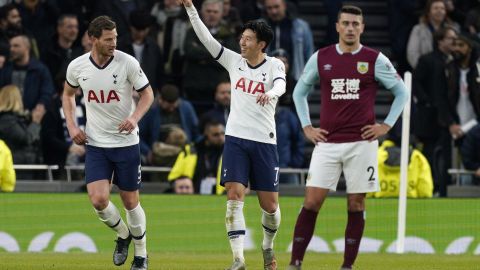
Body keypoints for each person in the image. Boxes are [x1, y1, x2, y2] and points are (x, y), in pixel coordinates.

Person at [287, 5, 409, 270]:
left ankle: (347, 266)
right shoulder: (322, 57)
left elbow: (402, 92)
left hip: (362, 144)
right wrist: (307, 127)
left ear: (363, 27)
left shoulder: (375, 59)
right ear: (337, 27)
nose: (351, 28)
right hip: (327, 143)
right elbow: (298, 92)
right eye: (346, 23)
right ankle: (295, 262)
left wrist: (386, 125)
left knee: (356, 202)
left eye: (356, 24)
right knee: (312, 201)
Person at [179, 0, 286, 269]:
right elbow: (206, 38)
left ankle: (267, 247)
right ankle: (238, 259)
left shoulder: (274, 65)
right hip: (236, 138)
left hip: (264, 140)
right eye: (242, 37)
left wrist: (270, 94)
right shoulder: (233, 61)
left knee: (270, 208)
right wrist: (191, 9)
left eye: (248, 39)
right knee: (234, 197)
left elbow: (281, 86)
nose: (242, 42)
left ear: (261, 44)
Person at [62, 16, 154, 270]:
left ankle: (141, 255)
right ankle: (124, 235)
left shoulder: (128, 63)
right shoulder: (78, 66)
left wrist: (135, 118)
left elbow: (148, 93)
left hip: (125, 143)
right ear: (93, 39)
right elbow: (68, 94)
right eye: (108, 39)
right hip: (96, 143)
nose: (114, 43)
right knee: (98, 200)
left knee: (130, 201)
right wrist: (72, 125)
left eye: (115, 38)